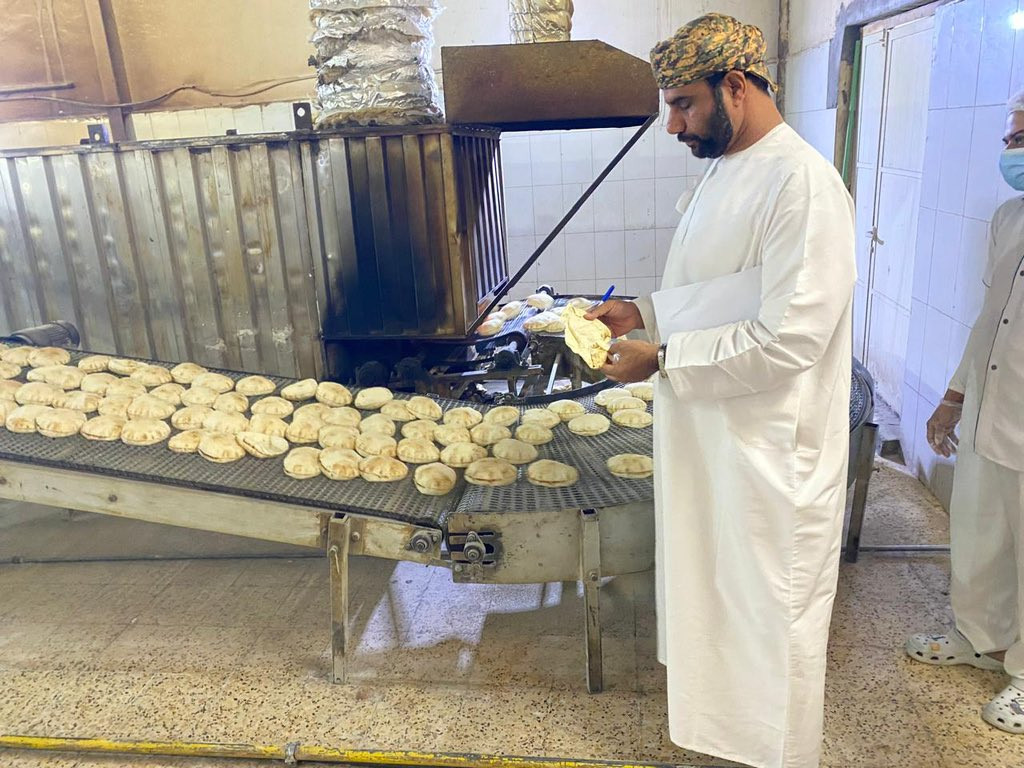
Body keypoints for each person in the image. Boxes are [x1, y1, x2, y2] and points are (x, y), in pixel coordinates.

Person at [586, 13, 856, 768]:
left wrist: (664, 358)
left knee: (768, 626)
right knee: (719, 613)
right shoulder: (728, 167)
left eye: (684, 105)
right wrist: (645, 313)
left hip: (770, 458)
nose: (673, 126)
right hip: (718, 444)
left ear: (736, 85)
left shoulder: (802, 184)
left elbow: (790, 337)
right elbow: (727, 291)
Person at [905, 91, 1024, 735]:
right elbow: (990, 318)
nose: (1009, 151)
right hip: (988, 407)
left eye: (1020, 139)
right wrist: (953, 397)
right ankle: (981, 638)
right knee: (979, 536)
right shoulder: (1009, 218)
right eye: (1010, 138)